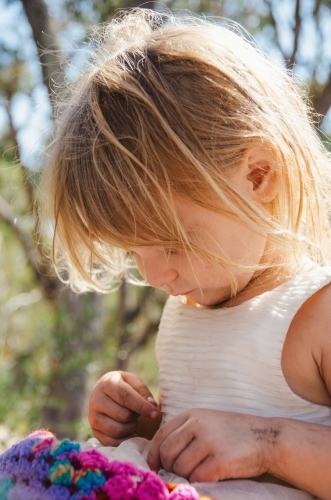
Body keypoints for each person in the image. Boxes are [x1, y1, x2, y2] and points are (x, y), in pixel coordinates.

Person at [40, 9, 331, 500]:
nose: (154, 273)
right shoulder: (186, 313)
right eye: (134, 247)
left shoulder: (315, 313)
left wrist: (269, 444)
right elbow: (201, 458)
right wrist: (143, 426)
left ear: (258, 176)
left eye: (173, 241)